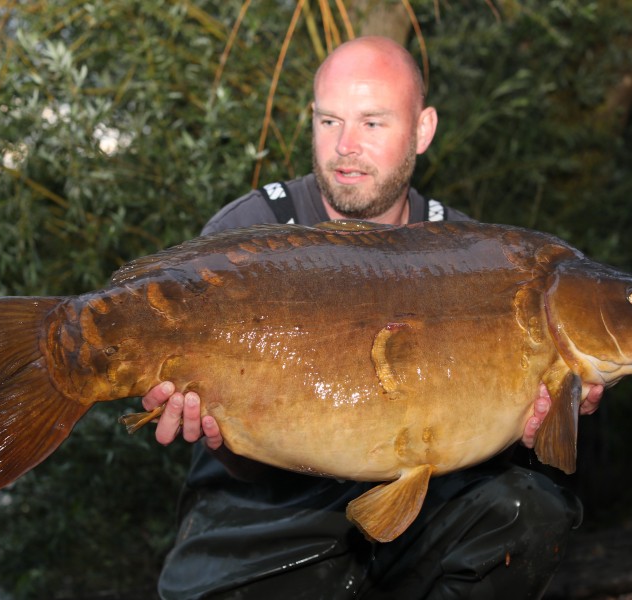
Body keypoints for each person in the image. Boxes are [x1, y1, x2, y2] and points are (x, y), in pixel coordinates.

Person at [143, 36, 603, 599]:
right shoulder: (252, 235)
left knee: (527, 511)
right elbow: (242, 456)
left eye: (373, 124)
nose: (345, 147)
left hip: (420, 503)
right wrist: (215, 433)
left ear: (423, 129)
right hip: (265, 510)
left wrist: (533, 422)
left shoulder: (468, 253)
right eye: (330, 121)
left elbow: (482, 426)